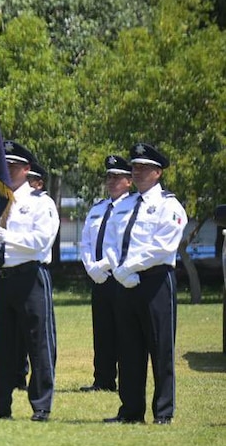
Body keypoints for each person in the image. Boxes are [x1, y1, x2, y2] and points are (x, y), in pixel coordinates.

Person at [102, 143, 186, 425]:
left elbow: (162, 247)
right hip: (125, 283)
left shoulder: (168, 206)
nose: (137, 172)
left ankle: (163, 412)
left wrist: (130, 267)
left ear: (158, 173)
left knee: (160, 349)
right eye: (135, 167)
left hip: (154, 283)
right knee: (128, 350)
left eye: (144, 168)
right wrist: (119, 270)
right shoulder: (124, 205)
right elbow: (111, 242)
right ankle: (130, 411)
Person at [0, 141, 58, 422]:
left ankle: (41, 405)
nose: (6, 170)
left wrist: (5, 237)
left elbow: (40, 242)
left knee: (38, 343)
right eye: (3, 165)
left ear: (26, 169)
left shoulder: (39, 203)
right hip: (0, 278)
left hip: (29, 277)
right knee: (1, 345)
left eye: (12, 166)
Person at [78, 155, 132, 393]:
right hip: (98, 280)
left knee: (124, 330)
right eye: (109, 176)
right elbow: (85, 242)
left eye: (117, 177)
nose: (111, 181)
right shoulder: (98, 208)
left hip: (119, 277)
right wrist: (91, 268)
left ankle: (128, 379)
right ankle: (103, 379)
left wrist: (103, 266)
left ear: (129, 181)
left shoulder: (131, 208)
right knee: (101, 330)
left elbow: (125, 245)